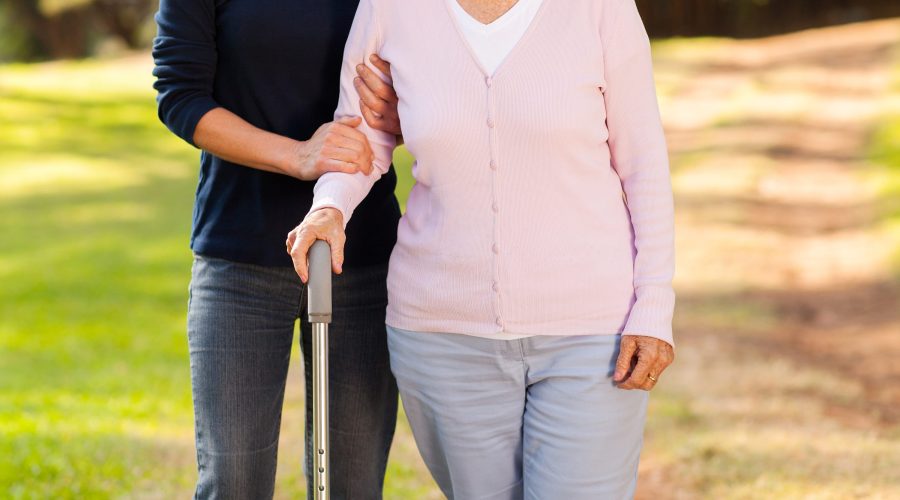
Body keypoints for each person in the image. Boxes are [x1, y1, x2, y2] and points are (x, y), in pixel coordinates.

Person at [288, 0, 677, 497]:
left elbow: (644, 164)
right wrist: (330, 205)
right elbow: (363, 131)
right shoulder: (390, 9)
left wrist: (654, 304)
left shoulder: (599, 9)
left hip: (591, 331)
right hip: (442, 332)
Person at [151, 1, 405, 498]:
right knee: (234, 481)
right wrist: (298, 156)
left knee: (352, 485)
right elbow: (179, 94)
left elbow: (446, 79)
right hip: (239, 256)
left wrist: (403, 112)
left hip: (361, 255)